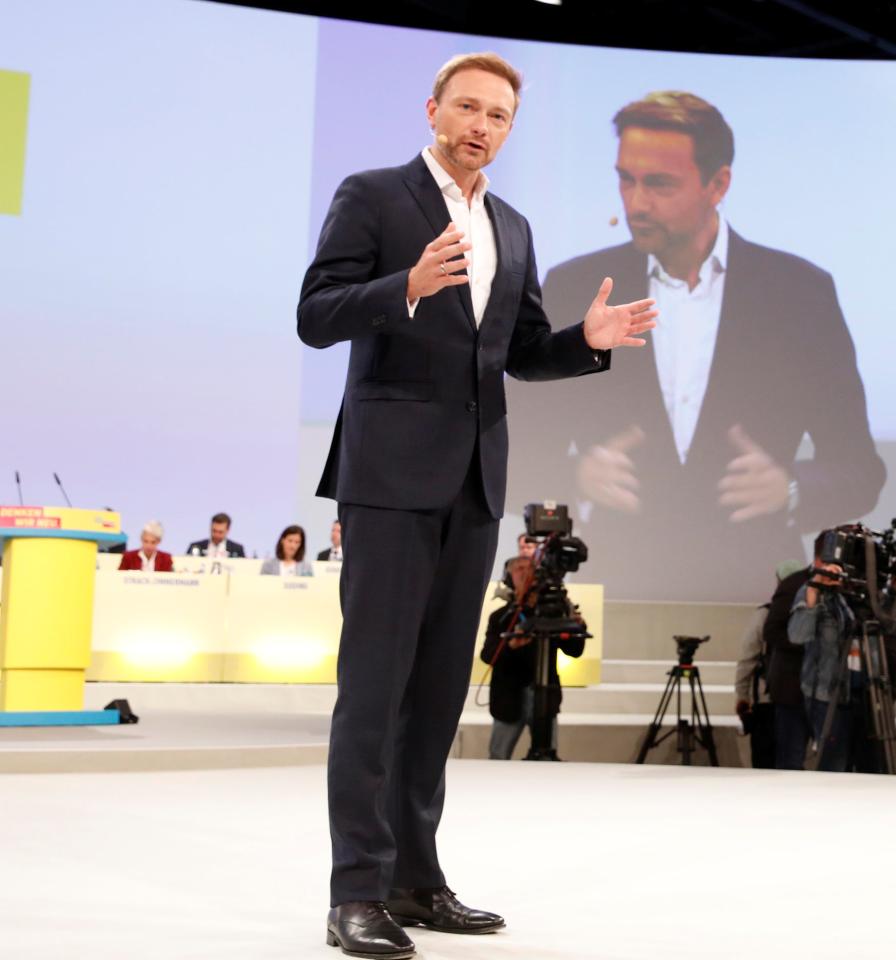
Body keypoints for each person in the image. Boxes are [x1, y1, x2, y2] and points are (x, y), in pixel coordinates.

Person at [299, 52, 657, 957]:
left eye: (498, 115)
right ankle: (355, 893)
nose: (481, 125)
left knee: (434, 695)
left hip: (474, 481)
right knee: (374, 692)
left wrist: (589, 341)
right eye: (467, 107)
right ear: (433, 110)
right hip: (385, 479)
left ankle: (415, 878)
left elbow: (520, 348)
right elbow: (317, 312)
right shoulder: (374, 196)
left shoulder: (514, 226)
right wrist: (405, 288)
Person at [506, 90, 885, 602]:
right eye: (626, 179)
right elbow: (515, 447)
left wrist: (792, 487)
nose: (636, 202)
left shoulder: (800, 293)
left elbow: (860, 468)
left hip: (758, 586)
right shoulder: (576, 284)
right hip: (612, 581)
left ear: (718, 184)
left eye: (659, 183)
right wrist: (575, 475)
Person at [480, 557, 578, 760]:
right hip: (508, 699)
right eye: (519, 569)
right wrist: (510, 646)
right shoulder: (501, 617)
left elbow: (575, 650)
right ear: (508, 577)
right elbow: (488, 655)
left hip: (544, 699)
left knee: (546, 760)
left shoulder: (551, 614)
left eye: (530, 569)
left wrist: (577, 626)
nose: (525, 573)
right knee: (498, 757)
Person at [787, 554, 869, 772]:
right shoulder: (811, 592)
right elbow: (797, 635)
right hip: (824, 692)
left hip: (852, 689)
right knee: (832, 762)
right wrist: (814, 589)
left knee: (851, 761)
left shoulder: (844, 596)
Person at [734, 559, 808, 769]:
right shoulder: (809, 616)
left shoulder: (765, 615)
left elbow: (747, 659)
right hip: (800, 696)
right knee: (793, 760)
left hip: (768, 699)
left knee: (766, 763)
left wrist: (742, 698)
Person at [762, 562, 815, 769]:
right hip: (793, 688)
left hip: (824, 686)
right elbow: (771, 632)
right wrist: (810, 645)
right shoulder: (793, 586)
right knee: (790, 760)